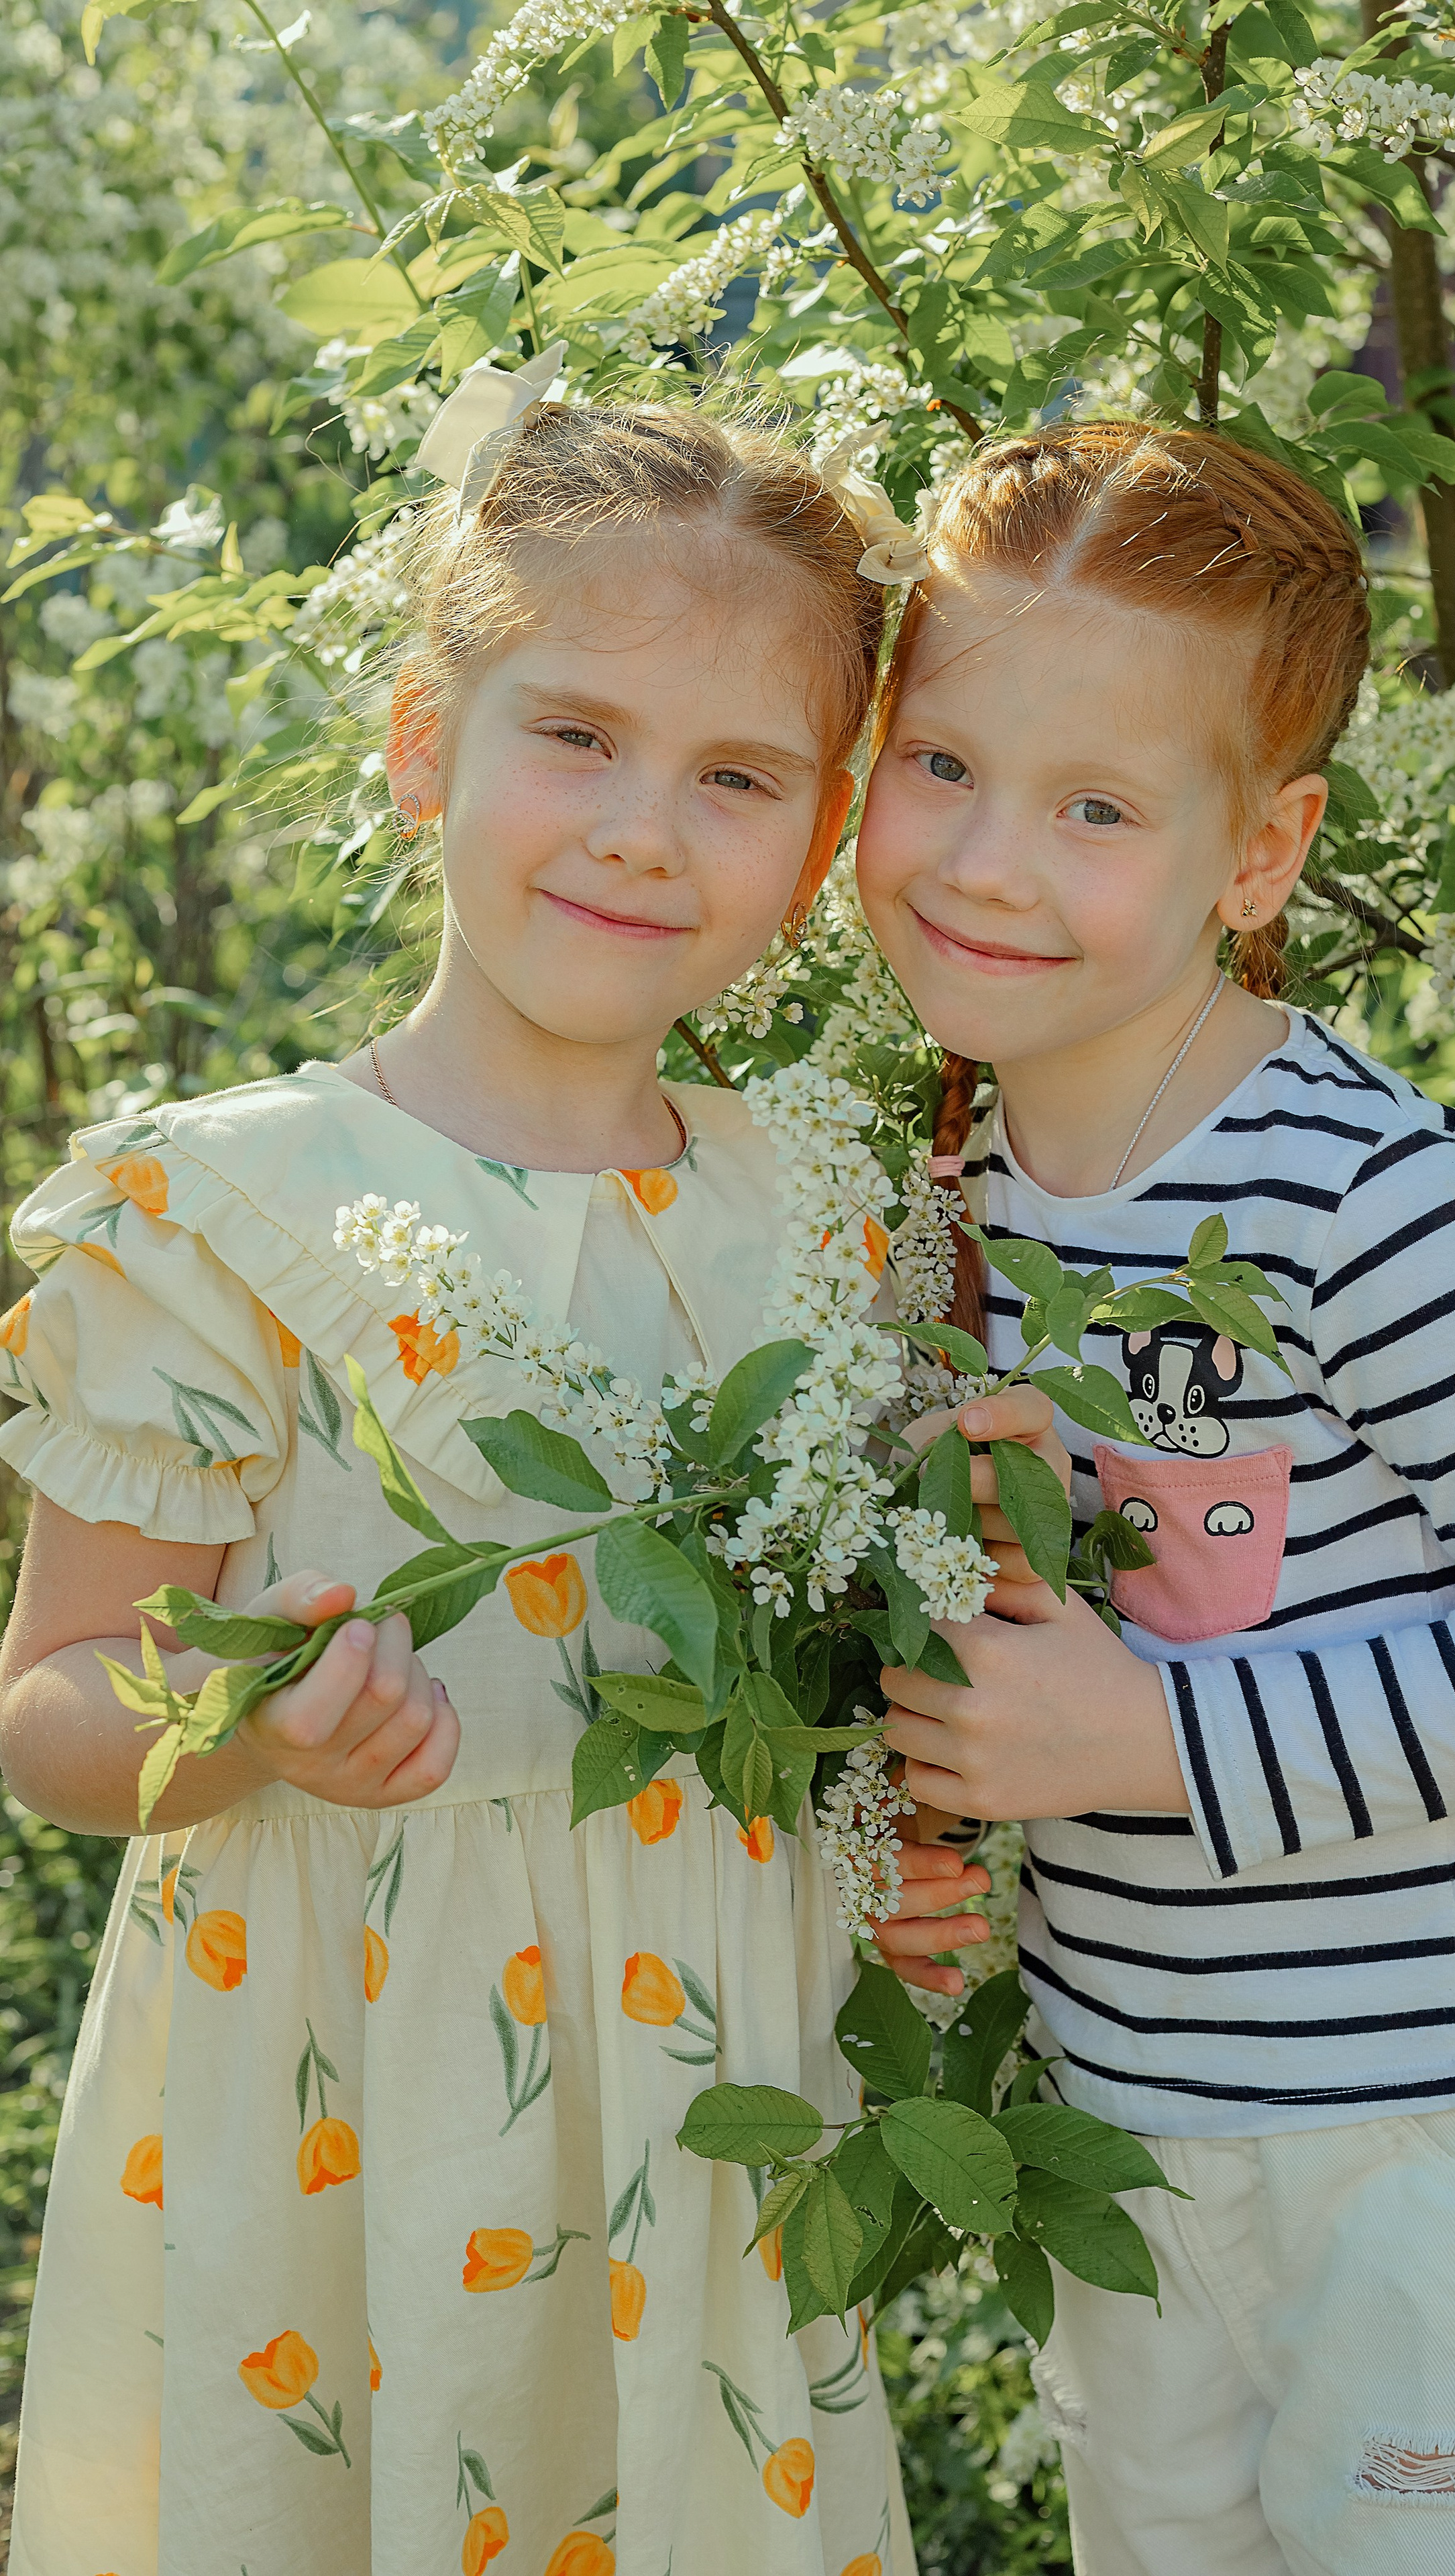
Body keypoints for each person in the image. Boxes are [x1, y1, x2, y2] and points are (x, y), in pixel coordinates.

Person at [0, 394, 993, 2576]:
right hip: (343, 2154)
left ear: (821, 842)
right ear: (426, 742)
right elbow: (57, 1704)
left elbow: (813, 1703)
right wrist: (247, 1724)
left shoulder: (826, 1213)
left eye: (735, 777)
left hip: (702, 2176)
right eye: (578, 736)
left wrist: (897, 1852)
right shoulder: (224, 1212)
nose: (647, 830)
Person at [853, 418, 1455, 2576]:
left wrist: (1143, 1743)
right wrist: (944, 1825)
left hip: (1446, 2152)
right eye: (940, 764)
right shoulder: (932, 1196)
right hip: (1133, 2134)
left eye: (1099, 809)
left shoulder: (1383, 1203)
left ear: (1262, 854)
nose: (985, 862)